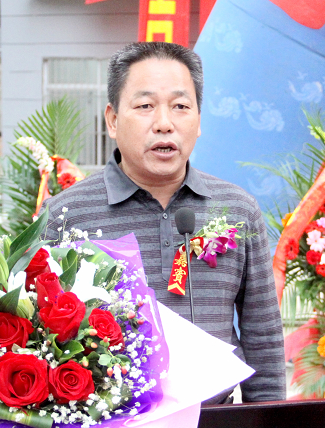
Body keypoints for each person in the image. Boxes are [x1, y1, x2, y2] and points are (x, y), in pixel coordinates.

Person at [42, 42, 285, 403]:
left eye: (180, 107)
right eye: (145, 106)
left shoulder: (238, 209)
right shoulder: (66, 215)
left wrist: (268, 427)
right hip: (109, 424)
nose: (164, 124)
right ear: (112, 120)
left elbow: (262, 337)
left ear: (198, 120)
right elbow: (42, 340)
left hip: (217, 423)